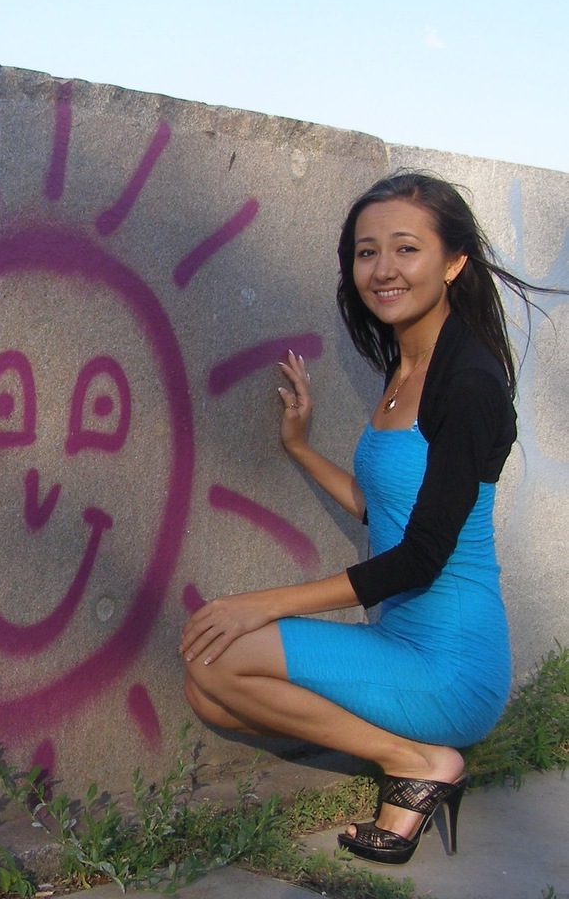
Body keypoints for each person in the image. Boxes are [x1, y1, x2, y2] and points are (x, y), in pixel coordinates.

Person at [180, 170, 535, 866]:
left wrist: (264, 604)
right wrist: (299, 447)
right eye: (366, 252)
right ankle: (409, 756)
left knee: (218, 657)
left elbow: (422, 554)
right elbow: (385, 509)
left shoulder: (468, 383)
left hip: (452, 662)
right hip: (400, 642)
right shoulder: (407, 367)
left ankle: (418, 763)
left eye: (406, 248)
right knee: (211, 693)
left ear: (453, 262)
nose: (382, 269)